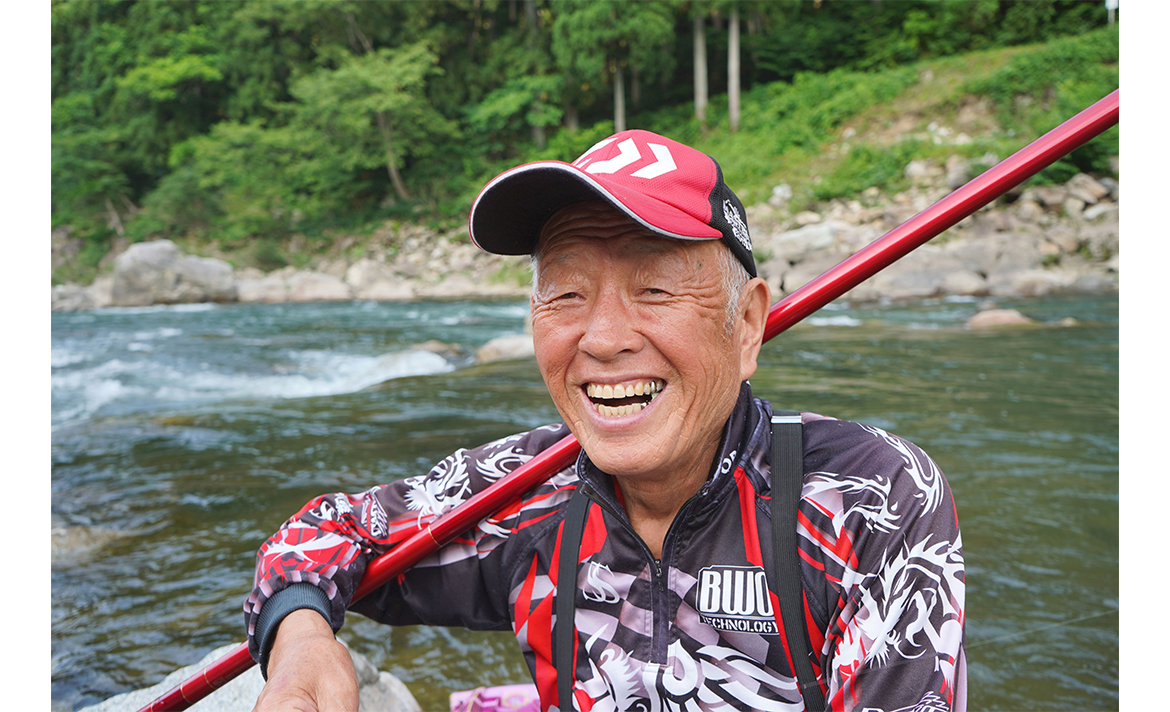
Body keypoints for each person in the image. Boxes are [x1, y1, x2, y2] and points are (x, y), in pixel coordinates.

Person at [244, 129, 966, 712]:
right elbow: (322, 534)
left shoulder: (869, 497)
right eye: (565, 294)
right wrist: (302, 639)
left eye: (653, 287)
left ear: (746, 326)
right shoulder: (528, 491)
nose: (602, 337)